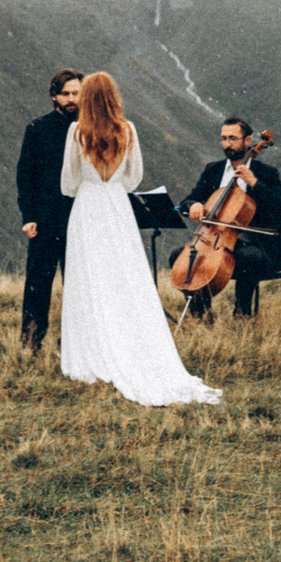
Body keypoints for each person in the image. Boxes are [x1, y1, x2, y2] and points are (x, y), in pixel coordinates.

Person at [57, 72, 222, 407]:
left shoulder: (77, 132)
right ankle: (130, 344)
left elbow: (67, 182)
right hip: (117, 208)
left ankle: (93, 352)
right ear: (113, 97)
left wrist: (90, 186)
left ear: (85, 98)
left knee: (89, 280)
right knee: (123, 280)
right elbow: (134, 178)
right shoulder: (127, 130)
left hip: (87, 208)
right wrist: (112, 184)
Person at [179, 116, 281, 320]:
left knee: (250, 258)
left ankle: (242, 315)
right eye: (223, 138)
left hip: (254, 244)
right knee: (180, 257)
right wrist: (194, 205)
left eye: (232, 138)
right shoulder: (213, 170)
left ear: (248, 141)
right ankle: (202, 316)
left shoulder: (266, 173)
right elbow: (188, 201)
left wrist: (254, 183)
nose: (227, 144)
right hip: (214, 240)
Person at [14, 70, 84, 354]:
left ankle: (74, 344)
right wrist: (28, 216)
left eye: (76, 93)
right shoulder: (37, 128)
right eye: (65, 93)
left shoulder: (91, 128)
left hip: (80, 217)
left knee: (78, 285)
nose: (71, 99)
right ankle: (30, 342)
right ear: (54, 95)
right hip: (44, 218)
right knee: (38, 283)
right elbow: (25, 175)